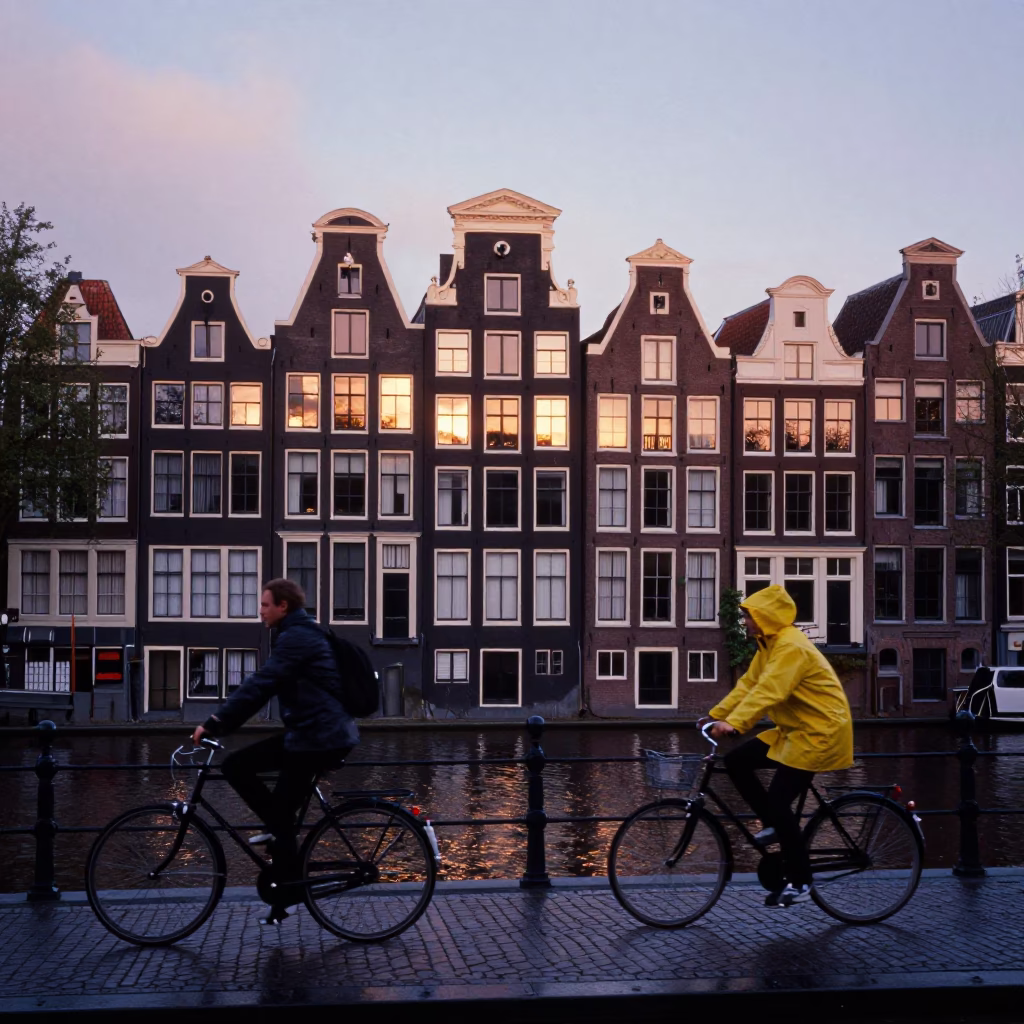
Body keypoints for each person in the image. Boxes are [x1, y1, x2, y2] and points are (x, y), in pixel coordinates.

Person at [192, 578, 358, 920]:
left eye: (266, 604)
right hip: (313, 734)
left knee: (237, 768)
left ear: (283, 606)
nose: (260, 610)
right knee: (277, 814)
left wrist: (215, 722)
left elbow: (261, 685)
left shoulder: (296, 638)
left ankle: (290, 881)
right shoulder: (300, 633)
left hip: (317, 738)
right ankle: (284, 887)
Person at [703, 584, 853, 909]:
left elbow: (771, 690)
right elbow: (750, 684)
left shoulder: (791, 647)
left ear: (765, 615)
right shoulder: (768, 645)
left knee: (779, 801)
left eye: (749, 616)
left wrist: (736, 723)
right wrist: (716, 715)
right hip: (794, 730)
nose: (745, 621)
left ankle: (800, 882)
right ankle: (773, 824)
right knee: (737, 762)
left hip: (819, 731)